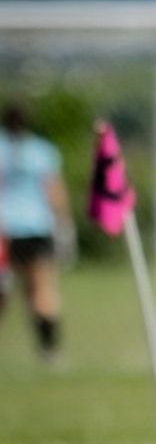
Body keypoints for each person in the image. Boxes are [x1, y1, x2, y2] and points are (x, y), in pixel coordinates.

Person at [0, 103, 74, 362]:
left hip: (4, 230)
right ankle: (49, 349)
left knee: (4, 291)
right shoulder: (41, 151)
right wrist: (64, 224)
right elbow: (52, 189)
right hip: (36, 227)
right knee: (41, 288)